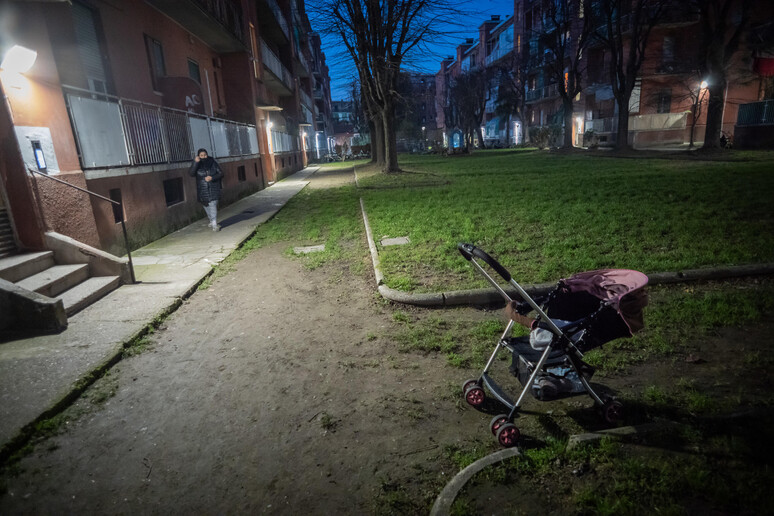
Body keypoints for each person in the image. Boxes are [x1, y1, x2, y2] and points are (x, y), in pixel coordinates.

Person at [189, 148, 223, 231]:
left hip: (213, 187)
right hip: (202, 189)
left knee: (213, 204)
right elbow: (191, 173)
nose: (204, 157)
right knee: (206, 205)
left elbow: (221, 173)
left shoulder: (213, 162)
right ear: (198, 156)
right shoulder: (197, 164)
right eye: (201, 155)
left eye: (205, 155)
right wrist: (195, 163)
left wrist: (212, 178)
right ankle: (211, 220)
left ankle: (214, 223)